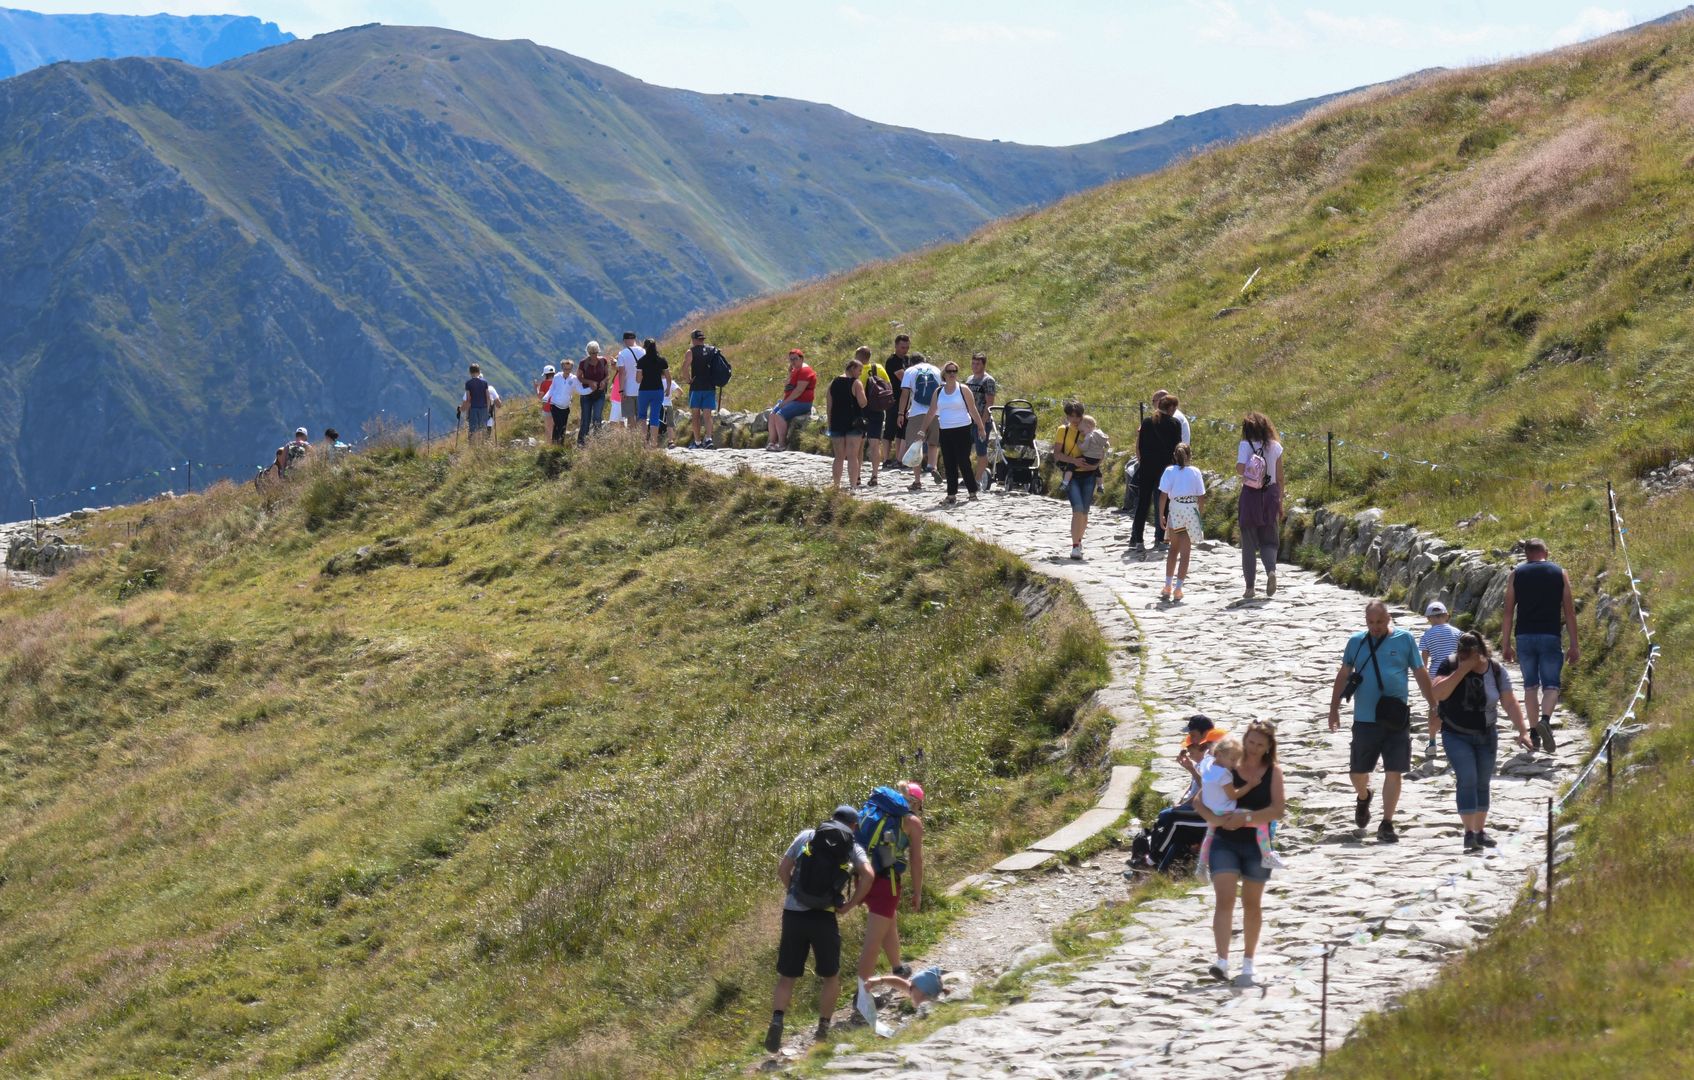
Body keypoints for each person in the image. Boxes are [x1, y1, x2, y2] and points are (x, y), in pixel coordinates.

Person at [766, 805, 875, 1053]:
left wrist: (794, 891)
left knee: (787, 976)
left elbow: (783, 869)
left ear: (832, 818)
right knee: (830, 976)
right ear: (853, 826)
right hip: (824, 918)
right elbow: (868, 875)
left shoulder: (807, 835)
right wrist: (849, 905)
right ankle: (823, 1029)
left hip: (794, 914)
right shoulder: (852, 846)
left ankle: (777, 1020)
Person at [1328, 600, 1437, 844]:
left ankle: (1387, 822)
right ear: (1366, 621)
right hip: (1365, 718)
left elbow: (1420, 672)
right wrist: (1334, 708)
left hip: (1396, 718)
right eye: (1371, 622)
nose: (1375, 627)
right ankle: (1364, 795)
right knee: (1357, 772)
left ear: (1388, 619)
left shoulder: (1404, 639)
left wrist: (1433, 704)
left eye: (1379, 622)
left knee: (1394, 770)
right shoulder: (1356, 642)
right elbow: (1343, 674)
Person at [1191, 719, 1284, 984]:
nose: (1253, 748)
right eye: (1250, 742)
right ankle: (1221, 962)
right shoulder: (1227, 765)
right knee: (1224, 899)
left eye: (1259, 744)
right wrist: (1216, 819)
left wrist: (1244, 819)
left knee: (1252, 904)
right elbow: (1200, 800)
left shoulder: (1272, 772)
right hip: (1224, 840)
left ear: (1268, 747)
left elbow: (1277, 810)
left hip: (1256, 843)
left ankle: (1248, 962)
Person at [1430, 632, 1535, 852]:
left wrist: (1523, 730)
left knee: (1482, 781)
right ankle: (1469, 832)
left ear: (1480, 653)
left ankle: (1480, 830)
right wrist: (1462, 670)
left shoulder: (1496, 670)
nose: (1464, 658)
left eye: (1469, 655)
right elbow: (1438, 692)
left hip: (1486, 734)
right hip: (1455, 733)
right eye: (1461, 654)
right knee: (1467, 777)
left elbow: (1509, 701)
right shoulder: (1449, 665)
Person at [1500, 538, 1579, 753]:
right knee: (1551, 685)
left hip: (1524, 636)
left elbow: (1508, 612)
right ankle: (1545, 719)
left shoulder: (1516, 574)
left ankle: (1534, 733)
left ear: (1526, 554)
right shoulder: (1559, 573)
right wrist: (1574, 644)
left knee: (1530, 686)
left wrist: (1506, 644)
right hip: (1550, 635)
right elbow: (1569, 612)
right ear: (1547, 552)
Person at [855, 782, 925, 990]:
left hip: (863, 875)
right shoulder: (912, 822)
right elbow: (916, 861)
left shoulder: (878, 809)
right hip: (886, 883)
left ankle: (897, 967)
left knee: (888, 918)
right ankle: (861, 998)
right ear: (916, 803)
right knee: (872, 944)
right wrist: (918, 892)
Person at [1195, 734, 1284, 873]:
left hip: (1212, 810)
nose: (1233, 764)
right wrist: (1250, 785)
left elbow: (1201, 772)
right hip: (1226, 812)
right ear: (1218, 754)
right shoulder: (1224, 775)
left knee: (1209, 835)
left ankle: (1201, 865)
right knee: (1260, 821)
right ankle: (1267, 855)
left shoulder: (1207, 764)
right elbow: (1233, 795)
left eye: (1236, 760)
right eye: (1232, 760)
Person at [1236, 412, 1284, 599]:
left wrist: (1250, 465)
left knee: (1248, 542)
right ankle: (1271, 570)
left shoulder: (1245, 445)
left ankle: (1250, 587)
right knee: (1269, 540)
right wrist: (1280, 501)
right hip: (1271, 493)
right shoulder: (1276, 447)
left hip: (1250, 495)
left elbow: (1240, 468)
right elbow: (1280, 477)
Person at [1050, 404, 1104, 560]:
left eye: (1077, 416)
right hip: (1071, 475)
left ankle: (1079, 542)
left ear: (1082, 416)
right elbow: (1057, 454)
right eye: (1070, 416)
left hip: (1089, 475)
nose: (1074, 420)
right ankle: (1075, 546)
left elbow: (1101, 452)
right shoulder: (1063, 430)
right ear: (1066, 416)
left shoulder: (1090, 429)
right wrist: (1074, 461)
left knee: (1085, 512)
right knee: (1077, 509)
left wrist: (1094, 465)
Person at [1131, 395, 1183, 553]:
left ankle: (1137, 539)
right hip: (1165, 469)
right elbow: (1177, 448)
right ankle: (1160, 539)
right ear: (1171, 408)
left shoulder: (1147, 421)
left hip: (1147, 467)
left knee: (1142, 504)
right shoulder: (1175, 423)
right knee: (1163, 505)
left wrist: (1142, 461)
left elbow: (1140, 445)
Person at [932, 361, 987, 505]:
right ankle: (951, 494)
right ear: (944, 373)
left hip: (962, 429)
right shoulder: (939, 391)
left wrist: (981, 427)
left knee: (963, 461)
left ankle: (972, 491)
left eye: (954, 371)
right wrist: (922, 429)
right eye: (949, 371)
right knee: (949, 463)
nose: (952, 374)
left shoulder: (963, 389)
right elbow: (931, 411)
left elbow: (973, 409)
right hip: (945, 430)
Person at [1158, 442, 1205, 601]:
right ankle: (1178, 588)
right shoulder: (1195, 472)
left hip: (1176, 510)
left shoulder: (1169, 471)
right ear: (1190, 456)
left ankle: (1167, 585)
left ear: (1174, 456)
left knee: (1173, 549)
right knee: (1186, 552)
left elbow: (1163, 495)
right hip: (1191, 510)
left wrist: (1161, 514)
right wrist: (1200, 515)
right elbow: (1201, 496)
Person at [896, 352, 943, 486]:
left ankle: (917, 481)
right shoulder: (936, 370)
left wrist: (900, 413)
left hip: (917, 413)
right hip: (936, 412)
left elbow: (905, 394)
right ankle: (932, 467)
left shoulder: (910, 371)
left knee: (915, 445)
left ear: (910, 362)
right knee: (933, 443)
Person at [827, 356, 870, 490]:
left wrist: (830, 423)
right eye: (859, 370)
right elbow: (862, 403)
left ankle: (836, 485)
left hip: (837, 422)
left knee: (839, 456)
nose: (860, 373)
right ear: (852, 369)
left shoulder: (833, 383)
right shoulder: (856, 383)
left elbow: (829, 406)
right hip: (853, 423)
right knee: (852, 456)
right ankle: (852, 486)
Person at [856, 346, 893, 487]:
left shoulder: (858, 370)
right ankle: (874, 475)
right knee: (874, 443)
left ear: (858, 356)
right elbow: (888, 386)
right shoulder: (878, 367)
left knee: (859, 443)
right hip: (877, 409)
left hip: (862, 410)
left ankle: (857, 475)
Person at [767, 349, 817, 451]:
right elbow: (787, 385)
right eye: (791, 360)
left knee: (779, 415)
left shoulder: (805, 371)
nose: (793, 362)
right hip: (791, 401)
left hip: (802, 402)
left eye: (795, 359)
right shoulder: (794, 370)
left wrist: (785, 403)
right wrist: (789, 373)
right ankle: (772, 442)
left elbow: (798, 391)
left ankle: (782, 444)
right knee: (772, 414)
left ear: (801, 359)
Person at [682, 329, 720, 450]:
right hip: (710, 386)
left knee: (695, 416)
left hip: (696, 387)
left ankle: (697, 442)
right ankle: (709, 439)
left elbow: (684, 368)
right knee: (708, 415)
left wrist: (688, 380)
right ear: (702, 339)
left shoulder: (690, 352)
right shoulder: (712, 350)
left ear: (693, 340)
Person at [965, 352, 998, 490]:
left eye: (978, 363)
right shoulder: (969, 379)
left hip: (982, 421)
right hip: (967, 421)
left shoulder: (988, 380)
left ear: (983, 365)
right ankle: (967, 478)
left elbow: (989, 403)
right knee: (964, 451)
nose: (974, 366)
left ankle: (977, 480)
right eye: (973, 363)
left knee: (981, 451)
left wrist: (982, 424)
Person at [882, 335, 913, 469]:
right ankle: (886, 459)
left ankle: (899, 459)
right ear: (896, 346)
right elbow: (904, 378)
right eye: (902, 347)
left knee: (902, 430)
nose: (904, 350)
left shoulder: (907, 360)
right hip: (893, 399)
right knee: (890, 429)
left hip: (906, 399)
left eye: (907, 348)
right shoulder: (892, 361)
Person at [541, 360, 586, 447]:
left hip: (564, 407)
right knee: (558, 424)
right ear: (562, 368)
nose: (567, 370)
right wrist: (545, 399)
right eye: (565, 368)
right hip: (554, 405)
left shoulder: (573, 379)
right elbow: (551, 389)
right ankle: (555, 444)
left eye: (569, 369)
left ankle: (558, 445)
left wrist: (591, 389)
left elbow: (580, 390)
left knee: (562, 426)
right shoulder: (557, 377)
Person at [635, 337, 668, 448]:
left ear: (645, 347)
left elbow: (638, 380)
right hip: (658, 390)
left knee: (642, 416)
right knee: (654, 416)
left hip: (644, 391)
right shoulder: (662, 360)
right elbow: (668, 376)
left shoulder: (641, 361)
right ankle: (654, 444)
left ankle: (644, 443)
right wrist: (667, 388)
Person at [577, 343, 611, 446]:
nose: (594, 355)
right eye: (592, 353)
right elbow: (579, 377)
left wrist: (604, 382)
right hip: (586, 394)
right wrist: (589, 382)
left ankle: (598, 442)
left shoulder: (603, 361)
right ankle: (581, 443)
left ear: (598, 352)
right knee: (586, 419)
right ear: (588, 352)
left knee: (597, 417)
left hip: (599, 393)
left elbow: (607, 375)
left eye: (595, 353)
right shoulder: (583, 363)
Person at [615, 332, 645, 429]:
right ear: (635, 339)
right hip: (642, 388)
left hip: (628, 390)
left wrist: (621, 390)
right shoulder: (643, 351)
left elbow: (622, 373)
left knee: (630, 416)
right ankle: (642, 438)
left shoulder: (622, 354)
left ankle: (633, 439)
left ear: (624, 341)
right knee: (641, 415)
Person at [1420, 601, 1460, 671]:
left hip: (1436, 673)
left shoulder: (1426, 635)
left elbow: (1424, 656)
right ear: (1447, 616)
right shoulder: (1457, 632)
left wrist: (1425, 671)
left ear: (1428, 618)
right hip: (1454, 672)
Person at [463, 364, 495, 442]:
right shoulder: (485, 382)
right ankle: (483, 445)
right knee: (483, 428)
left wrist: (467, 413)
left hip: (473, 408)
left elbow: (468, 399)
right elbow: (487, 397)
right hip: (483, 408)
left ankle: (471, 446)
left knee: (472, 429)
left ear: (470, 372)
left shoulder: (468, 383)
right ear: (479, 371)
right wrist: (487, 409)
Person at [659, 370, 680, 448]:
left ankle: (654, 440)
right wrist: (675, 398)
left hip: (658, 404)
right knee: (669, 424)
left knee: (656, 421)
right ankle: (671, 441)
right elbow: (680, 392)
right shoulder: (671, 382)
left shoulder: (656, 381)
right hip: (668, 403)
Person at [535, 365, 556, 443]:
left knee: (548, 427)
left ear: (546, 374)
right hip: (557, 407)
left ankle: (548, 444)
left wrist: (536, 387)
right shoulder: (557, 382)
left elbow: (540, 397)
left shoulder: (544, 383)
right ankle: (556, 443)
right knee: (555, 426)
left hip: (547, 408)